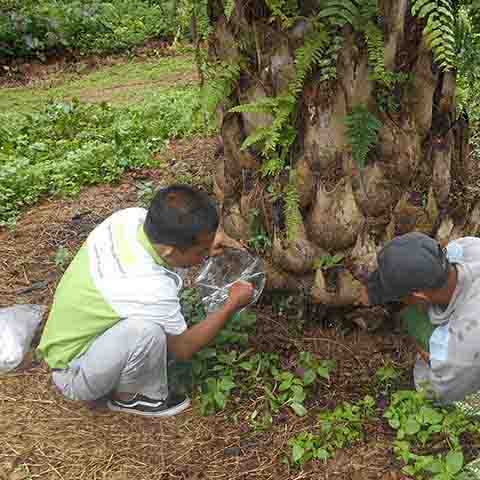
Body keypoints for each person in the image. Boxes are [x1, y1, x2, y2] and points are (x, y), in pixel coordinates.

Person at [37, 185, 254, 417]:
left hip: (68, 342)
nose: (207, 253)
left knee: (146, 322)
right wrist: (231, 304)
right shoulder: (150, 286)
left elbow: (175, 255)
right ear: (170, 251)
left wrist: (207, 239)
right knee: (146, 331)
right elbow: (182, 349)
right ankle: (134, 397)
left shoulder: (130, 218)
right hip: (74, 372)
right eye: (202, 250)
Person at [361, 231, 480, 403]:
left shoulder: (463, 347)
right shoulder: (465, 247)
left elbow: (432, 392)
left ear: (419, 297)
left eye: (401, 298)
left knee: (467, 402)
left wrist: (424, 353)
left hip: (466, 350)